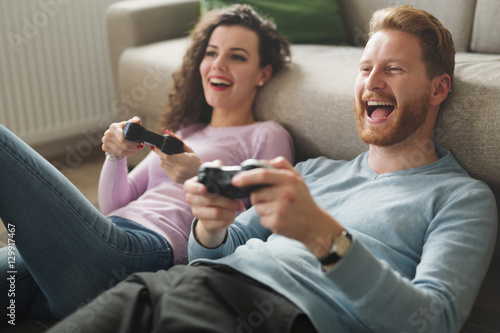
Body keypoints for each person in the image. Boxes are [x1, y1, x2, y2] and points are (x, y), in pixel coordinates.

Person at [46, 5, 497, 333]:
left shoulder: (462, 198)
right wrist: (210, 226)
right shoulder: (317, 171)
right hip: (178, 283)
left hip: (276, 315)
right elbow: (215, 252)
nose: (372, 82)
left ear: (439, 89)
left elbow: (433, 321)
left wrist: (326, 238)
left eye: (393, 69)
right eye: (364, 69)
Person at [0, 4, 294, 323]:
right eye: (211, 53)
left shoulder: (266, 134)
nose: (218, 65)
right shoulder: (185, 132)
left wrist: (200, 175)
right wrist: (116, 157)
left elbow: (264, 214)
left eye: (237, 56)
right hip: (100, 241)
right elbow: (116, 206)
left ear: (263, 73)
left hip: (139, 254)